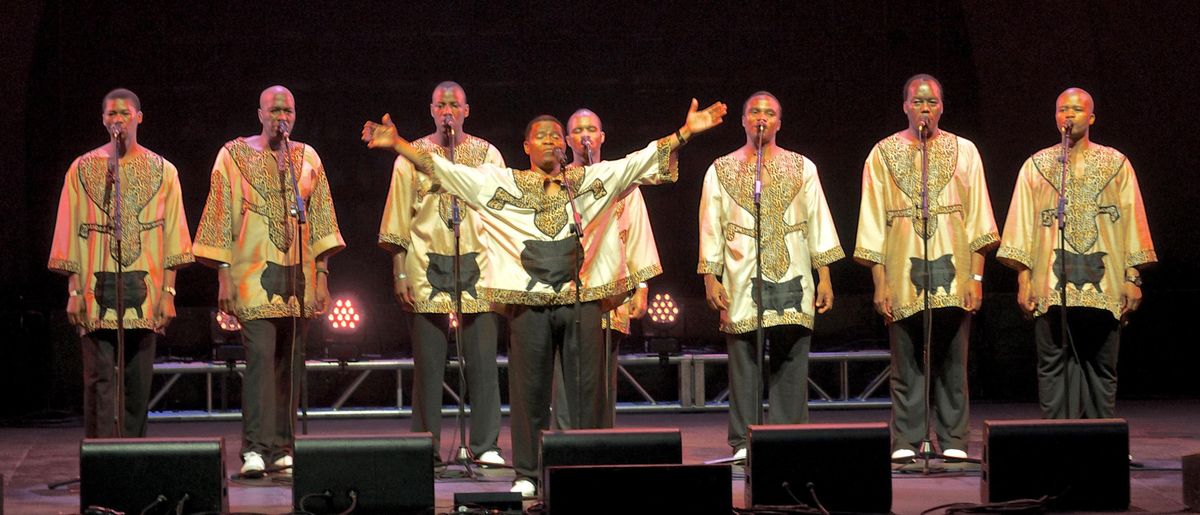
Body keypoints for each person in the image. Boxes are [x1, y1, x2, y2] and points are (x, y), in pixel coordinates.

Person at [363, 98, 726, 497]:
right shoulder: (503, 182)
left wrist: (685, 132)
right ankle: (528, 472)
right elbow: (443, 169)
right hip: (528, 302)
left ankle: (583, 468)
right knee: (529, 391)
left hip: (581, 299)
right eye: (542, 136)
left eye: (556, 136)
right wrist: (398, 143)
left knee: (585, 392)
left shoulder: (590, 181)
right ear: (526, 147)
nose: (551, 141)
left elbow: (639, 162)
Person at [193, 85, 345, 477]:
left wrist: (323, 277)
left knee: (290, 365)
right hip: (252, 277)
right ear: (260, 113)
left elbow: (322, 220)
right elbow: (219, 217)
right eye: (275, 109)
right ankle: (254, 449)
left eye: (289, 110)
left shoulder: (306, 157)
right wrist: (223, 276)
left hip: (299, 278)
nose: (282, 116)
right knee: (260, 361)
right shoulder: (232, 156)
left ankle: (283, 447)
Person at [854, 75, 999, 461]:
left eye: (932, 102)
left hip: (955, 272)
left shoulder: (965, 151)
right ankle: (906, 438)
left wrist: (976, 277)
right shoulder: (882, 154)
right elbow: (871, 222)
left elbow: (980, 220)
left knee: (953, 363)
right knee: (905, 364)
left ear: (941, 107)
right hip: (902, 273)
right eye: (917, 102)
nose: (924, 109)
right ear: (905, 106)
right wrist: (880, 282)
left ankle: (952, 439)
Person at [698, 92, 842, 460]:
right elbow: (710, 227)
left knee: (791, 358)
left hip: (793, 270)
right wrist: (710, 278)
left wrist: (823, 275)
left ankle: (788, 439)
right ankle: (744, 443)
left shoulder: (803, 167)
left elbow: (818, 221)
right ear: (743, 121)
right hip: (740, 273)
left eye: (770, 112)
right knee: (744, 363)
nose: (762, 117)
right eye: (754, 111)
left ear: (779, 122)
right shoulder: (720, 169)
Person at [997, 87, 1155, 419]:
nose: (1068, 115)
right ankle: (1057, 439)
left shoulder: (1116, 164)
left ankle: (1102, 442)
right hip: (1050, 284)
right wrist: (1024, 279)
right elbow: (1021, 224)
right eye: (1062, 110)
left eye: (1077, 110)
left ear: (1092, 117)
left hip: (1105, 282)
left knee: (1101, 366)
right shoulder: (1036, 166)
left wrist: (1132, 277)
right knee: (1053, 366)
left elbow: (1132, 220)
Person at [49, 88, 193, 438]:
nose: (118, 120)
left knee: (137, 383)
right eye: (111, 114)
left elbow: (173, 234)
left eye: (125, 114)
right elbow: (70, 232)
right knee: (99, 381)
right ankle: (101, 464)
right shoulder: (82, 169)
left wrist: (168, 292)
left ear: (139, 118)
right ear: (103, 120)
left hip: (144, 291)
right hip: (96, 290)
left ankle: (132, 462)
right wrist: (73, 291)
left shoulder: (164, 171)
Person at [377, 81, 506, 466]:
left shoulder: (488, 154)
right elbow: (398, 215)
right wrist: (399, 272)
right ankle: (425, 448)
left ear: (467, 110)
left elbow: (501, 211)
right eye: (441, 104)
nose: (448, 110)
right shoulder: (411, 155)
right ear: (431, 110)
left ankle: (485, 446)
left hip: (478, 266)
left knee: (483, 363)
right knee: (429, 367)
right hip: (425, 265)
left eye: (455, 104)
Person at [552, 108, 659, 429]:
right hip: (568, 290)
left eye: (591, 129)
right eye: (578, 130)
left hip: (611, 289)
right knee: (565, 367)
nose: (585, 135)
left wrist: (641, 287)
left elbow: (637, 234)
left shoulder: (623, 180)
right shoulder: (557, 183)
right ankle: (564, 439)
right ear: (568, 139)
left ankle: (600, 438)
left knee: (603, 370)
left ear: (601, 137)